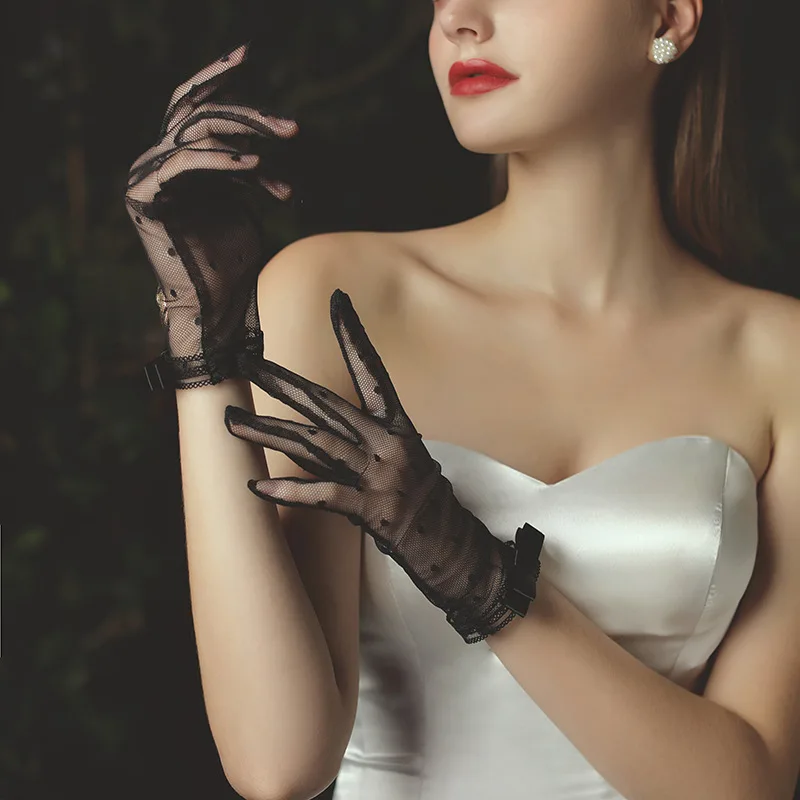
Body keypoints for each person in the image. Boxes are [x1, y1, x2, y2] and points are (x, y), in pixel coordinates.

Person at [125, 2, 800, 800]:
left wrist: (486, 586)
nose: (460, 21)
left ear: (671, 16)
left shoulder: (780, 359)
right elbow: (278, 763)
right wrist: (204, 357)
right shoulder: (334, 296)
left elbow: (750, 782)